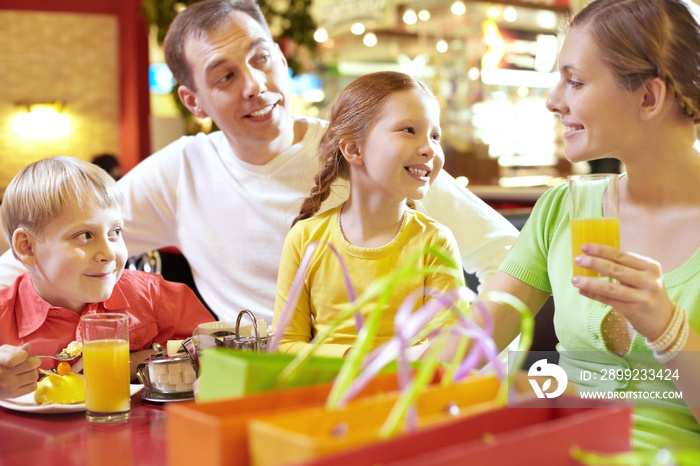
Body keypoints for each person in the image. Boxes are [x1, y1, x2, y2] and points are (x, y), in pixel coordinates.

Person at [0, 0, 518, 324]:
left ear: (282, 58)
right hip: (263, 388)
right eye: (224, 76)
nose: (255, 85)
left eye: (261, 57)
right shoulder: (181, 171)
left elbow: (507, 253)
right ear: (194, 102)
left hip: (394, 382)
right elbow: (27, 261)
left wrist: (477, 349)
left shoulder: (360, 151)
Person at [448, 0, 700, 451]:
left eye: (576, 81)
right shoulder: (563, 209)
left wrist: (667, 326)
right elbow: (469, 347)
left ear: (648, 97)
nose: (553, 100)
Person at [272, 71, 464, 357]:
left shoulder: (435, 242)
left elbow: (452, 347)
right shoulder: (304, 238)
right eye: (409, 130)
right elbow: (284, 345)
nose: (429, 149)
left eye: (435, 136)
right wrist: (357, 359)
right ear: (353, 149)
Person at [0, 156, 214, 384]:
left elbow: (215, 350)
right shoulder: (5, 317)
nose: (110, 253)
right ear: (27, 246)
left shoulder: (154, 296)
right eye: (84, 235)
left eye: (115, 232)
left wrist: (133, 362)